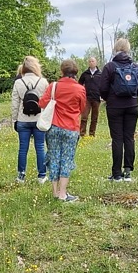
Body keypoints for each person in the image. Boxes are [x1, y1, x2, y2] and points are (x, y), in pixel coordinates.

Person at [38, 59, 87, 202]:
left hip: (53, 127)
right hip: (71, 128)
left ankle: (55, 191)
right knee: (66, 159)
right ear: (75, 72)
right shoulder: (80, 89)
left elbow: (41, 103)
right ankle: (63, 193)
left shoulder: (54, 86)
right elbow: (82, 108)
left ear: (61, 72)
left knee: (54, 158)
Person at [97, 38, 138, 181]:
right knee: (129, 138)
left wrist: (109, 98)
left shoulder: (109, 67)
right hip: (132, 105)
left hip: (115, 106)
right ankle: (128, 171)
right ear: (128, 49)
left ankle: (117, 173)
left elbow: (102, 88)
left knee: (117, 139)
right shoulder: (136, 67)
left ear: (115, 49)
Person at [11, 55, 49, 182]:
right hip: (39, 119)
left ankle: (21, 175)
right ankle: (42, 175)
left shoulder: (18, 82)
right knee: (40, 147)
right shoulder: (43, 82)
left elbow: (15, 104)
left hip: (23, 119)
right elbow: (47, 102)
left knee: (23, 148)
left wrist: (14, 120)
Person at [78, 56, 102, 137]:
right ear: (88, 63)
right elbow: (79, 84)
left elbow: (104, 85)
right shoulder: (85, 74)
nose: (91, 62)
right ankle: (82, 133)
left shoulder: (100, 74)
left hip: (96, 98)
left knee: (94, 118)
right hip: (87, 98)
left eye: (93, 61)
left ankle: (92, 134)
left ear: (96, 63)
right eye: (90, 61)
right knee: (84, 116)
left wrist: (102, 95)